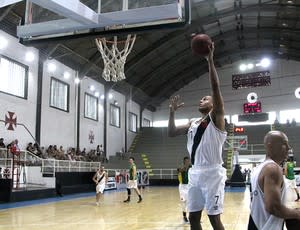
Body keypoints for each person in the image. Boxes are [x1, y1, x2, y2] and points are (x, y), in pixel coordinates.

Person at [168, 42, 227, 230]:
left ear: (213, 104)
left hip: (212, 173)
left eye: (206, 98)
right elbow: (171, 133)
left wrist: (210, 61)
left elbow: (216, 87)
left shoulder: (216, 119)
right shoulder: (193, 122)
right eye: (201, 98)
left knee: (214, 219)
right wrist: (171, 112)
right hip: (195, 172)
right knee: (193, 218)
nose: (201, 100)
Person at [248, 131, 300, 230]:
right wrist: (296, 214)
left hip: (255, 224)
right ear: (270, 146)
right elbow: (274, 207)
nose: (288, 147)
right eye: (284, 144)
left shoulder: (259, 168)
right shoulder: (273, 169)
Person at [177, 156, 192, 223]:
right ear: (184, 162)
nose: (187, 162)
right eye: (186, 161)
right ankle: (184, 217)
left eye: (188, 161)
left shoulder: (191, 168)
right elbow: (179, 170)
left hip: (189, 186)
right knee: (183, 203)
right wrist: (184, 168)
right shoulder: (181, 168)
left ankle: (191, 217)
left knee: (190, 202)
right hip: (182, 187)